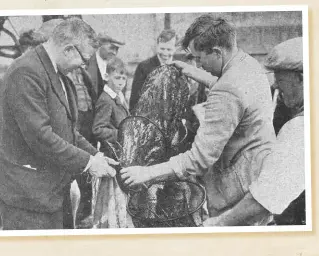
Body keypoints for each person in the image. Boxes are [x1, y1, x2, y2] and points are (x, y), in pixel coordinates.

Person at [120, 14, 276, 223]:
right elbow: (230, 85)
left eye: (200, 58)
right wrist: (193, 72)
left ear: (216, 52)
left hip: (239, 190)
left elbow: (200, 158)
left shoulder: (226, 93)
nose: (199, 64)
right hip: (260, 171)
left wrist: (147, 173)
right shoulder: (247, 64)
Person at [0, 19, 117, 230]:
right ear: (68, 49)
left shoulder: (59, 73)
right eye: (85, 60)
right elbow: (41, 137)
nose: (84, 66)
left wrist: (95, 156)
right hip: (29, 200)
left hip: (53, 192)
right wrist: (88, 163)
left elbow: (68, 131)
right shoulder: (26, 72)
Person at [202, 37, 306, 226]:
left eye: (279, 76)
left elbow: (262, 201)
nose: (275, 85)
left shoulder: (300, 129)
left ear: (301, 78)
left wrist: (214, 225)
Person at [129, 29, 179, 111]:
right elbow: (135, 100)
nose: (165, 53)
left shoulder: (179, 68)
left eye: (169, 49)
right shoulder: (143, 67)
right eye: (162, 49)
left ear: (175, 49)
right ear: (157, 46)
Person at [92, 57, 130, 154]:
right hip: (111, 152)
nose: (121, 82)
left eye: (124, 79)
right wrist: (122, 134)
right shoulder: (106, 100)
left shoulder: (119, 95)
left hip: (121, 150)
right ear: (106, 77)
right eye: (117, 78)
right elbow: (98, 130)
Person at [87, 33, 125, 102]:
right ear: (100, 44)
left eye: (117, 49)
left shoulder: (117, 65)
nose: (114, 52)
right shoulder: (87, 64)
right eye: (112, 48)